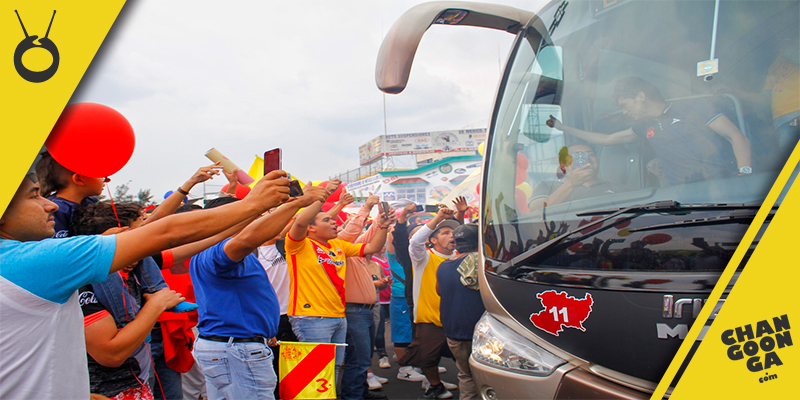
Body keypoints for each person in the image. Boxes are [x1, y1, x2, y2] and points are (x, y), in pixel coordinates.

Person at [0, 170, 293, 400]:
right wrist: (254, 203)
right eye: (34, 196)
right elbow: (164, 232)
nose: (50, 204)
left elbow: (184, 242)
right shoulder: (34, 262)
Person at [190, 184, 327, 400]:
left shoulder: (213, 250)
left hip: (234, 345)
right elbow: (245, 241)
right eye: (247, 214)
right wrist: (299, 203)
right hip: (236, 349)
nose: (255, 219)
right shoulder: (219, 250)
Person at [546, 76, 753, 185]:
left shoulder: (693, 107)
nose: (625, 112)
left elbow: (735, 136)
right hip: (684, 197)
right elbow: (607, 139)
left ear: (641, 97)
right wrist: (562, 127)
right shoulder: (644, 126)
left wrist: (746, 176)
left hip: (722, 187)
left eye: (626, 105)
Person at [71, 202, 185, 399]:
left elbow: (180, 240)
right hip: (109, 391)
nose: (140, 246)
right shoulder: (84, 283)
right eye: (135, 236)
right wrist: (156, 304)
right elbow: (110, 354)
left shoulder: (136, 271)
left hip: (138, 380)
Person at [285, 180, 391, 384]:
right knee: (315, 375)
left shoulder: (338, 246)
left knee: (331, 372)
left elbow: (372, 247)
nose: (334, 222)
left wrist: (383, 227)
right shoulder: (298, 245)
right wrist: (321, 197)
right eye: (327, 220)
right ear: (311, 228)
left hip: (338, 316)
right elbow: (298, 223)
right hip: (311, 318)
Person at [335, 195, 394, 400]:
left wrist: (380, 221)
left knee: (363, 356)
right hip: (354, 311)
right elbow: (355, 233)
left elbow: (369, 236)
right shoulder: (340, 247)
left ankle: (358, 391)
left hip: (364, 311)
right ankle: (352, 396)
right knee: (358, 358)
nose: (335, 227)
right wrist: (366, 208)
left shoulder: (355, 252)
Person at [400, 207, 460, 399]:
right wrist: (438, 218)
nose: (451, 236)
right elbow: (415, 241)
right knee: (426, 358)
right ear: (433, 240)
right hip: (430, 319)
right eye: (445, 233)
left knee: (469, 358)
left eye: (453, 233)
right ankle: (435, 386)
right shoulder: (423, 257)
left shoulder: (461, 257)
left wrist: (461, 214)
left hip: (458, 320)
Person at [437, 224, 485, 400]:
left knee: (465, 374)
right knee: (490, 376)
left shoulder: (443, 266)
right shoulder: (482, 263)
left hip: (454, 330)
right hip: (481, 333)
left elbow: (439, 291)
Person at [388, 205, 426, 382]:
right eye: (418, 233)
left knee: (416, 331)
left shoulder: (422, 255)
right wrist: (401, 216)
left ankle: (418, 363)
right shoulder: (398, 252)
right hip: (400, 296)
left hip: (417, 296)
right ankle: (404, 369)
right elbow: (393, 236)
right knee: (402, 331)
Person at [528, 144, 618, 210]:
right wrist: (570, 184)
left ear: (597, 161)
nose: (585, 159)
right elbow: (536, 212)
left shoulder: (615, 188)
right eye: (577, 156)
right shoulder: (547, 186)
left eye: (590, 155)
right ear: (563, 164)